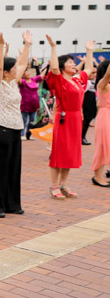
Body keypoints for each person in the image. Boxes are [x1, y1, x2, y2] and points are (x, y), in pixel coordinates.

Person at [0, 30, 32, 217]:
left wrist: (27, 45)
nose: (17, 70)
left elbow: (22, 63)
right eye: (12, 69)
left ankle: (12, 204)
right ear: (6, 72)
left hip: (15, 131)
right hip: (0, 130)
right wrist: (0, 45)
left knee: (13, 169)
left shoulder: (13, 83)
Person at [46, 36, 94, 198]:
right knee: (59, 152)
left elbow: (87, 70)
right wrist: (53, 47)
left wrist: (89, 51)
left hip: (75, 119)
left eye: (73, 62)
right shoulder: (59, 80)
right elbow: (53, 68)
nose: (74, 64)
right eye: (70, 62)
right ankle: (54, 186)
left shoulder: (77, 80)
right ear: (62, 67)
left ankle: (64, 184)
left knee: (70, 153)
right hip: (64, 118)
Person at [90, 59, 110, 187]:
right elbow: (107, 75)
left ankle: (101, 175)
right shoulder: (102, 84)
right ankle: (97, 177)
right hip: (105, 116)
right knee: (102, 147)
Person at [19, 65, 43, 140]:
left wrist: (47, 66)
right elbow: (18, 78)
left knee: (32, 121)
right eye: (26, 73)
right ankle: (22, 134)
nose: (28, 74)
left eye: (28, 73)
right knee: (24, 120)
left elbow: (41, 76)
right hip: (25, 104)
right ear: (23, 75)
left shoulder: (33, 80)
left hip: (34, 104)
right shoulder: (22, 82)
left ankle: (29, 134)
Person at [82, 68, 98, 145]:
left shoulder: (93, 81)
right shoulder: (86, 82)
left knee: (87, 120)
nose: (94, 74)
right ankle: (81, 137)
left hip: (91, 101)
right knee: (85, 121)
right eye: (93, 72)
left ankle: (82, 137)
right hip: (85, 102)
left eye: (95, 72)